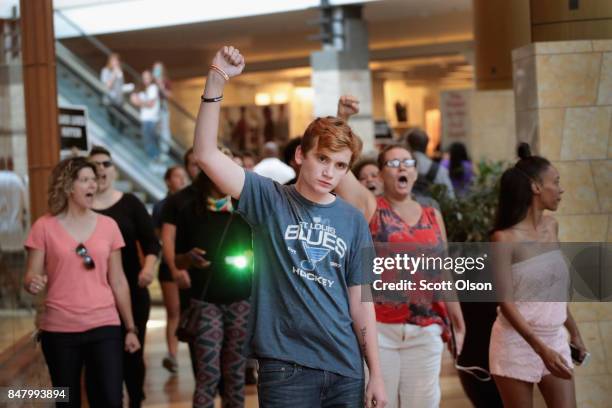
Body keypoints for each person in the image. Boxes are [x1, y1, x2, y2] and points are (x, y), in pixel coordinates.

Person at [193, 46, 387, 408]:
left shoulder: (352, 220)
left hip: (346, 367)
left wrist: (375, 372)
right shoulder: (269, 199)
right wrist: (216, 78)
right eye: (322, 159)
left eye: (341, 166)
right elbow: (205, 154)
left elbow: (361, 304)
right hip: (286, 368)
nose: (329, 172)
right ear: (301, 155)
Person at [335, 95, 465, 408]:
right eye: (392, 163)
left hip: (426, 328)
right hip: (379, 330)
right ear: (380, 176)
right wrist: (342, 119)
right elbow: (340, 170)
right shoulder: (370, 207)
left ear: (416, 172)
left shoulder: (433, 215)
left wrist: (458, 323)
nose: (401, 168)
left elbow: (443, 271)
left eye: (407, 162)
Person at [24, 157, 140, 408]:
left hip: (104, 325)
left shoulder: (109, 226)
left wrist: (130, 328)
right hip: (59, 330)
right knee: (66, 401)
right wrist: (33, 282)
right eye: (85, 180)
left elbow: (118, 280)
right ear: (67, 186)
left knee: (110, 399)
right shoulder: (44, 227)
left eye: (94, 180)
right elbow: (30, 275)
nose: (93, 186)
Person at [489, 143, 587, 408]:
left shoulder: (551, 226)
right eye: (555, 182)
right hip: (516, 343)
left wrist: (573, 333)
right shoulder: (504, 238)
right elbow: (505, 304)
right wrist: (539, 349)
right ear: (535, 187)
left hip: (554, 338)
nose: (561, 189)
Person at [174, 170, 252, 408]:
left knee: (235, 373)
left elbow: (260, 248)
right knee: (208, 372)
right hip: (205, 300)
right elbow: (178, 261)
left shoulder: (243, 211)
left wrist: (252, 256)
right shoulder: (190, 212)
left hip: (240, 300)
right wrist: (189, 258)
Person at [89, 146, 160, 408]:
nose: (101, 169)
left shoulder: (130, 203)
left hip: (131, 288)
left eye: (106, 164)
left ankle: (135, 401)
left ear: (114, 169)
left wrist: (148, 268)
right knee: (103, 356)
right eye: (94, 165)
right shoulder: (82, 208)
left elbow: (152, 242)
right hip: (95, 293)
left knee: (132, 351)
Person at [151, 165, 188, 374]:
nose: (181, 180)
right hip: (169, 264)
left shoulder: (192, 202)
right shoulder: (162, 206)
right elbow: (157, 236)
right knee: (173, 311)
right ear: (167, 181)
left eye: (183, 177)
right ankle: (172, 355)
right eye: (177, 176)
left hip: (189, 262)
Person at [405, 128, 455, 199]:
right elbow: (450, 197)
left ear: (408, 144)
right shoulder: (439, 170)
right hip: (433, 208)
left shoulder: (400, 167)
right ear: (426, 145)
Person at [131, 70, 160, 161]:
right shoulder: (145, 89)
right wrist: (139, 101)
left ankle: (154, 159)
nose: (145, 80)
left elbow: (150, 104)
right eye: (144, 78)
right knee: (148, 140)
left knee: (150, 141)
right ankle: (153, 159)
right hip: (146, 118)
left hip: (151, 119)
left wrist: (139, 101)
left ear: (151, 78)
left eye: (147, 77)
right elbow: (135, 101)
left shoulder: (153, 88)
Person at [152, 61, 173, 158]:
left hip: (162, 108)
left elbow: (169, 95)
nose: (156, 71)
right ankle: (156, 149)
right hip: (152, 109)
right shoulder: (151, 81)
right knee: (155, 129)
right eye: (155, 69)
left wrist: (161, 87)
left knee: (164, 129)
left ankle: (164, 151)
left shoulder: (166, 81)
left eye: (158, 69)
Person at [100, 53, 125, 131]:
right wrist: (114, 74)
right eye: (114, 61)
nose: (116, 63)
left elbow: (121, 86)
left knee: (123, 121)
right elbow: (108, 86)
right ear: (110, 62)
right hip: (110, 101)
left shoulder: (119, 72)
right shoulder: (105, 71)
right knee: (112, 122)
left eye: (117, 61)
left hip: (119, 101)